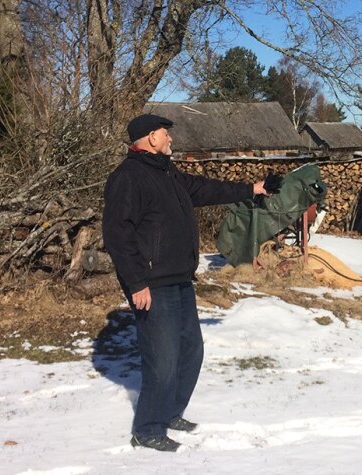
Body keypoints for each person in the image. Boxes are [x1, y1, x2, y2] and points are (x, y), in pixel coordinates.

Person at [102, 114, 276, 452]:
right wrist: (136, 283)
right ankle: (148, 429)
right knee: (162, 359)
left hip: (180, 279)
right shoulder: (128, 178)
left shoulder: (168, 173)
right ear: (151, 137)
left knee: (191, 352)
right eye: (166, 134)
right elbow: (117, 235)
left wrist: (255, 189)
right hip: (152, 283)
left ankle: (170, 412)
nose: (170, 140)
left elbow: (206, 188)